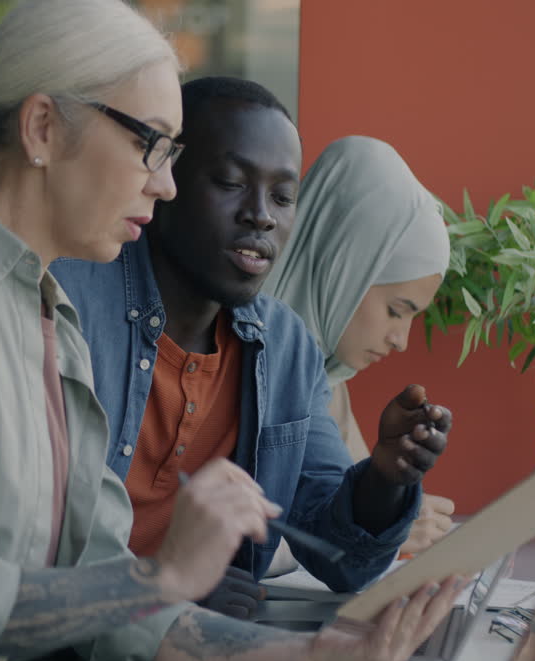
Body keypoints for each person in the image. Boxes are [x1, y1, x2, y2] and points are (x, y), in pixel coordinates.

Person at [0, 3, 463, 661]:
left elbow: (101, 585)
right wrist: (162, 575)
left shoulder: (44, 316)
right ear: (41, 129)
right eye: (152, 145)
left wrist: (321, 655)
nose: (164, 183)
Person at [50, 77, 453, 620]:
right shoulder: (65, 301)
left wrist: (385, 479)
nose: (262, 214)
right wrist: (164, 592)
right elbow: (23, 547)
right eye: (231, 182)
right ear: (167, 180)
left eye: (283, 197)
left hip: (208, 657)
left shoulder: (288, 348)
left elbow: (339, 558)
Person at [263, 135, 456, 559]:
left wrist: (390, 512)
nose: (400, 340)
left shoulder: (329, 382)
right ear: (344, 268)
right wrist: (392, 535)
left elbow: (342, 517)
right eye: (395, 310)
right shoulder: (230, 352)